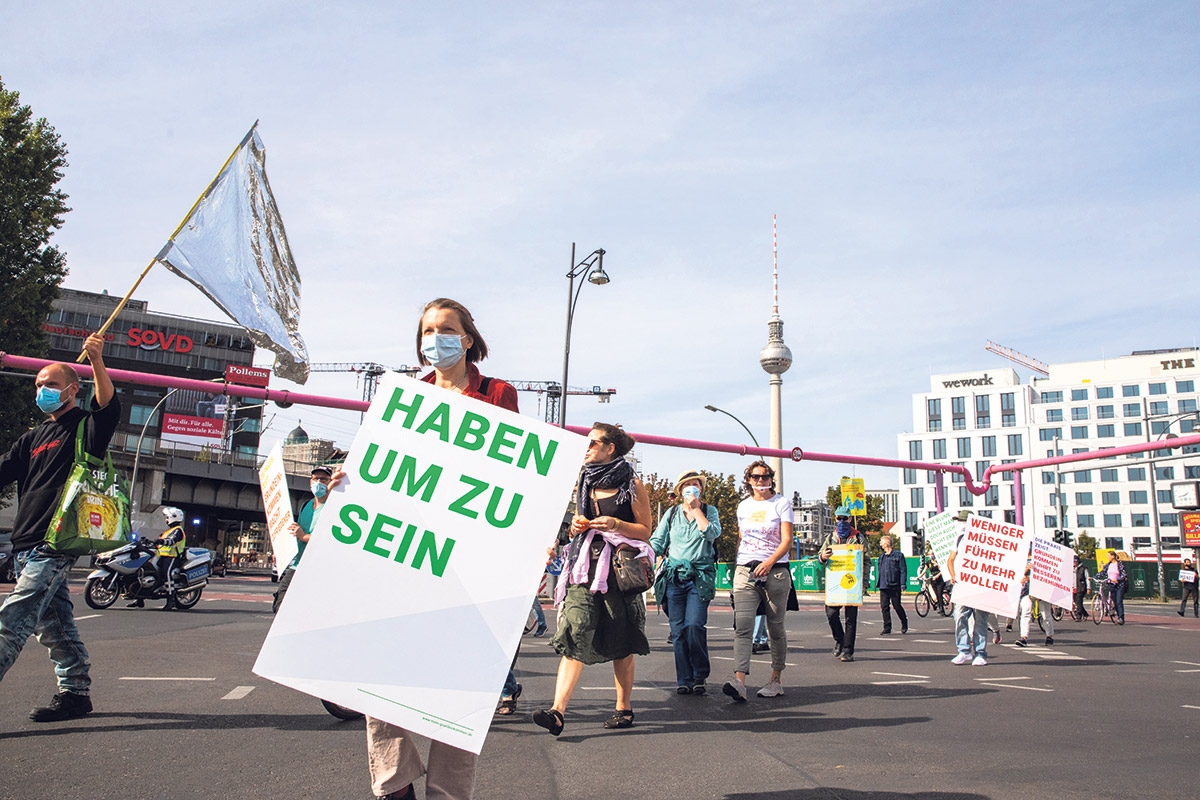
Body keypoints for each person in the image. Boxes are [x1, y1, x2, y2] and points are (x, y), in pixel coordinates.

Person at [362, 298, 519, 800]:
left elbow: (511, 473)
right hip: (412, 554)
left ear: (467, 338)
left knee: (461, 689)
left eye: (446, 329)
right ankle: (395, 782)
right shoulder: (407, 395)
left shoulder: (498, 393)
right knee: (374, 674)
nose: (436, 338)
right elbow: (382, 462)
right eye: (427, 330)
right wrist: (354, 477)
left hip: (472, 561)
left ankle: (448, 795)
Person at [0, 334, 118, 721]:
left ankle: (74, 692)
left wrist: (97, 360)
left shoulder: (86, 427)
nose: (43, 391)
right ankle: (75, 694)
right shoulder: (32, 439)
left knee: (12, 621)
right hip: (25, 543)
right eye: (38, 385)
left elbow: (109, 407)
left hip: (56, 540)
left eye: (50, 384)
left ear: (72, 388)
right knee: (55, 627)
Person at [533, 423, 653, 735]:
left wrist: (616, 523)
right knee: (576, 627)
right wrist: (575, 527)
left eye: (592, 443)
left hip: (618, 570)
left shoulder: (632, 484)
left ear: (610, 448)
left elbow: (645, 530)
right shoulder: (584, 480)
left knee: (622, 637)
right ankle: (557, 711)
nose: (585, 448)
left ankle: (623, 707)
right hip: (584, 566)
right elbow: (573, 527)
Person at [723, 460, 794, 700]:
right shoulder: (743, 507)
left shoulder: (781, 504)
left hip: (775, 570)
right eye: (755, 477)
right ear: (749, 480)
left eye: (764, 477)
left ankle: (776, 679)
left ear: (771, 479)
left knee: (775, 627)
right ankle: (739, 681)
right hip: (746, 569)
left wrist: (770, 562)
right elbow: (741, 538)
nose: (760, 481)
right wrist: (737, 566)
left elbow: (787, 540)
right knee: (743, 626)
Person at [651, 468, 721, 695]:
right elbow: (657, 542)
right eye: (688, 485)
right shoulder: (671, 514)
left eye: (696, 485)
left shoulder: (709, 511)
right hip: (674, 577)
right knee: (678, 631)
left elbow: (712, 534)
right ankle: (684, 678)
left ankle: (700, 674)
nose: (692, 488)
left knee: (694, 626)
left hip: (699, 578)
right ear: (680, 490)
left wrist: (696, 510)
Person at [271, 465, 332, 614]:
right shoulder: (306, 505)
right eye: (315, 478)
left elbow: (329, 539)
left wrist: (304, 537)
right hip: (298, 565)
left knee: (309, 610)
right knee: (280, 604)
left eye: (323, 479)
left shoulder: (333, 507)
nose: (319, 482)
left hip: (318, 568)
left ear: (331, 482)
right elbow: (297, 533)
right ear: (310, 482)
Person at [816, 506, 865, 663]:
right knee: (831, 614)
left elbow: (867, 560)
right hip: (835, 584)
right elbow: (820, 556)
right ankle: (839, 639)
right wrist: (823, 556)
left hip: (852, 582)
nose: (842, 521)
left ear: (850, 519)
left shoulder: (858, 537)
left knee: (851, 619)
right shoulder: (831, 537)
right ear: (835, 518)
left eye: (845, 518)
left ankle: (848, 651)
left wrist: (864, 582)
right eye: (839, 518)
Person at [946, 510, 989, 666]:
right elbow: (950, 560)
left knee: (980, 620)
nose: (960, 524)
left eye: (962, 521)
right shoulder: (959, 539)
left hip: (980, 587)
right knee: (959, 617)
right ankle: (964, 651)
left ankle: (980, 653)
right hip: (962, 586)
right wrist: (953, 575)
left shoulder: (984, 540)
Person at [130, 507, 187, 609]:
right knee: (144, 571)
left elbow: (171, 541)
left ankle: (170, 600)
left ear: (173, 517)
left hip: (172, 557)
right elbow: (159, 542)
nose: (166, 519)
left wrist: (162, 541)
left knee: (166, 574)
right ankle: (139, 599)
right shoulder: (169, 531)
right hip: (160, 556)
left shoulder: (178, 531)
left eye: (167, 517)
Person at [876, 534, 908, 635]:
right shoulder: (881, 557)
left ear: (886, 543)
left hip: (894, 585)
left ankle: (904, 621)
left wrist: (902, 584)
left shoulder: (898, 555)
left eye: (881, 542)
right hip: (883, 585)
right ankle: (887, 627)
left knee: (897, 605)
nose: (880, 544)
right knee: (884, 607)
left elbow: (903, 570)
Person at [1015, 567, 1055, 647]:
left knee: (1045, 614)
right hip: (1027, 591)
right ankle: (1024, 637)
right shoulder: (1023, 558)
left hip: (1043, 589)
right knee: (1025, 612)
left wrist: (1030, 578)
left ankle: (1049, 636)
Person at [1103, 550, 1127, 625]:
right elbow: (1102, 572)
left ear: (1113, 556)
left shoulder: (1119, 564)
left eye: (1109, 556)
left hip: (1120, 585)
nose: (1107, 557)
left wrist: (1117, 579)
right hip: (1111, 585)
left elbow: (1123, 574)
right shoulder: (1108, 565)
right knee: (1115, 602)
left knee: (1119, 601)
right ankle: (1116, 613)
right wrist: (1093, 577)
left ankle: (1121, 618)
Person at [1073, 554, 1090, 621]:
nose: (1074, 562)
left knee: (1078, 601)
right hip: (1074, 587)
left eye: (1075, 561)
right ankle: (1085, 614)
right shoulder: (1071, 568)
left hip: (1081, 587)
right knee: (1076, 602)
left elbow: (1087, 578)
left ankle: (1078, 616)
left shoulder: (1083, 568)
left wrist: (1089, 588)